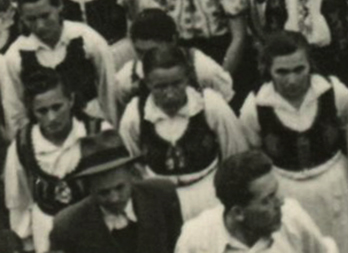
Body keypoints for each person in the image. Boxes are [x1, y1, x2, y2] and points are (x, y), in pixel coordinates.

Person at [239, 30, 348, 250]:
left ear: (310, 65)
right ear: (268, 70)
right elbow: (252, 155)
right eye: (282, 72)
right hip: (287, 193)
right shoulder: (255, 107)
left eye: (299, 69)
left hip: (336, 187)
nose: (292, 80)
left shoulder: (333, 92)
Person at [118, 41, 246, 219]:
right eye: (160, 87)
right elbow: (131, 163)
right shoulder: (135, 113)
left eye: (176, 84)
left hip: (209, 196)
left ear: (187, 78)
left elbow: (235, 153)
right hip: (160, 202)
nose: (170, 93)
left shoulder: (209, 104)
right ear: (147, 83)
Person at [3, 69, 104, 253]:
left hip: (94, 228)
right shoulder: (23, 146)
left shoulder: (97, 132)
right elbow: (18, 203)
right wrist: (26, 244)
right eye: (42, 111)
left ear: (71, 100)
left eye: (57, 107)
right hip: (47, 233)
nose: (51, 117)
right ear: (32, 111)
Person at [1, 0, 117, 133]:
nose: (40, 26)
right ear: (21, 17)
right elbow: (15, 111)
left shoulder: (87, 39)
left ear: (59, 6)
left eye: (45, 16)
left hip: (90, 130)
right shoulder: (15, 56)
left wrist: (108, 132)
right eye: (31, 19)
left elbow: (108, 91)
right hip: (45, 136)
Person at [174, 149, 337, 253]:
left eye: (276, 193)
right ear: (238, 213)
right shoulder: (196, 239)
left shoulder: (292, 217)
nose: (280, 202)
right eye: (267, 200)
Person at [48, 130, 184, 253]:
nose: (114, 198)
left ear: (132, 174)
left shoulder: (161, 195)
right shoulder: (68, 225)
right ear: (88, 187)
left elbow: (179, 247)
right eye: (103, 192)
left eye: (120, 187)